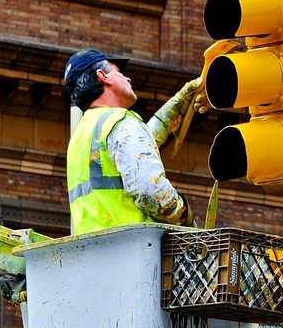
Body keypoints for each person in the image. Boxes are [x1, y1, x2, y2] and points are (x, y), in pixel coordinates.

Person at [62, 48, 205, 235]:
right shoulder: (120, 120)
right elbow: (151, 191)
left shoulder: (81, 135)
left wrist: (180, 103)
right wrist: (189, 224)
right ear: (103, 76)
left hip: (96, 254)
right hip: (136, 252)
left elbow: (137, 146)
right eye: (119, 72)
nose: (128, 79)